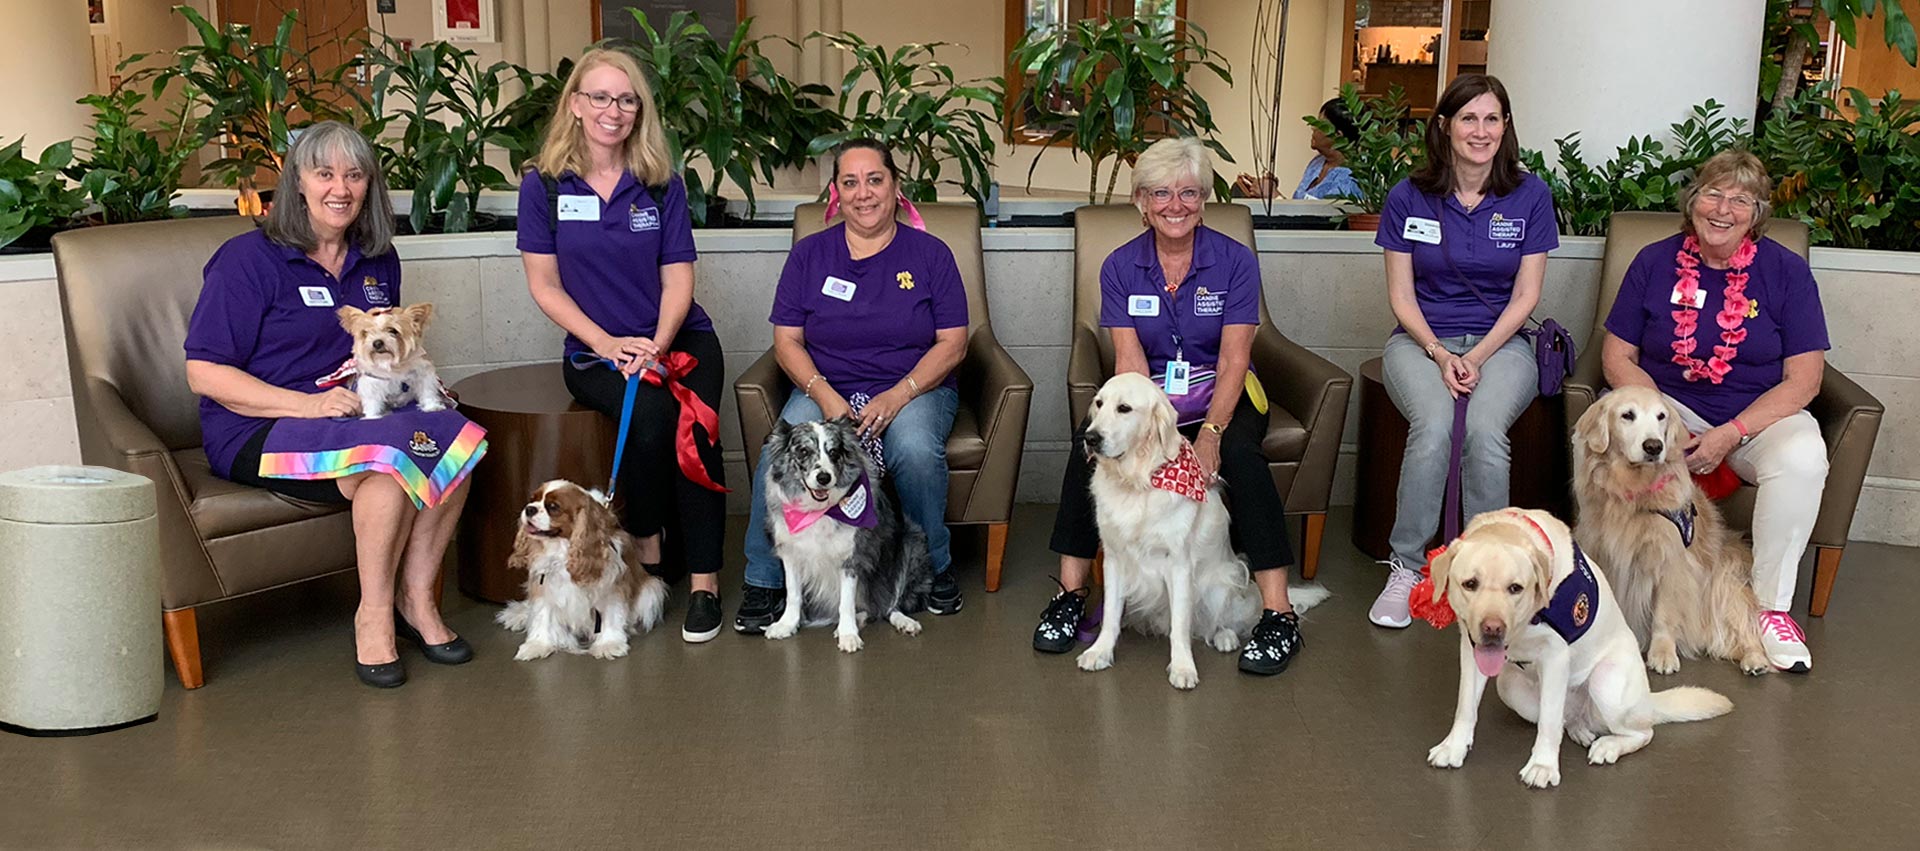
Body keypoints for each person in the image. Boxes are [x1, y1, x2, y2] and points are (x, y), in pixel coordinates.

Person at [184, 121, 478, 689]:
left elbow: (383, 351)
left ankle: (416, 599)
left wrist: (420, 392)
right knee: (388, 473)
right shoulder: (246, 261)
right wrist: (305, 406)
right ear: (297, 183)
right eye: (324, 174)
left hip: (353, 416)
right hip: (260, 427)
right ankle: (373, 615)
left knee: (454, 446)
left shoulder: (377, 258)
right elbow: (203, 372)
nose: (339, 188)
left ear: (370, 186)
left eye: (354, 174)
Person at [1032, 136, 1306, 676]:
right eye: (1161, 193)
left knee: (1245, 461)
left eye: (1187, 192)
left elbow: (1233, 361)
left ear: (1203, 200)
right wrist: (1153, 431)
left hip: (1225, 396)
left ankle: (1278, 613)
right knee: (1082, 453)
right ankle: (1069, 596)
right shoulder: (1119, 267)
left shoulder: (1234, 262)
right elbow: (1130, 366)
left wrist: (1209, 436)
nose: (1175, 205)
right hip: (1150, 402)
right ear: (1141, 202)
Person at [517, 48, 730, 643]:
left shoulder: (661, 183)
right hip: (594, 350)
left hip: (677, 337)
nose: (614, 110)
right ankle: (651, 548)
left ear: (641, 109)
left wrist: (655, 346)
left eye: (627, 99)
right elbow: (545, 285)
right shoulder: (544, 184)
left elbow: (679, 276)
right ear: (577, 105)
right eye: (601, 97)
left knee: (699, 430)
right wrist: (611, 345)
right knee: (652, 420)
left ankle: (705, 586)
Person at [1599, 148, 1828, 672]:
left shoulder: (1786, 272)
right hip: (1669, 407)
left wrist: (1732, 432)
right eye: (1713, 193)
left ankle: (1771, 610)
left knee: (1803, 457)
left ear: (1758, 213)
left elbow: (1805, 378)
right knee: (1621, 432)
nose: (1723, 209)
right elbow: (1617, 356)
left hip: (1755, 417)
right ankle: (1617, 597)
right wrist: (1664, 423)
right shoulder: (1654, 261)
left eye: (1741, 200)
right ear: (1693, 201)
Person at [732, 138, 969, 633]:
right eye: (850, 182)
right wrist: (824, 396)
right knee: (777, 454)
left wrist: (899, 394)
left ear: (896, 186)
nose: (864, 193)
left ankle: (935, 566)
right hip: (827, 388)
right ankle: (764, 578)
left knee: (915, 450)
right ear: (836, 194)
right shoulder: (809, 254)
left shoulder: (931, 254)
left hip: (914, 388)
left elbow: (952, 344)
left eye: (875, 179)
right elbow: (787, 340)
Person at [1368, 73, 1559, 629]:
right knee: (1433, 428)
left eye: (1492, 118)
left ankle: (1490, 571)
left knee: (1483, 432)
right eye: (1468, 118)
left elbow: (1527, 296)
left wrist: (1476, 358)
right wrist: (1437, 351)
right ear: (1445, 126)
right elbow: (1401, 297)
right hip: (1420, 341)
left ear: (1506, 127)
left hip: (1503, 345)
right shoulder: (1409, 196)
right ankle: (1407, 567)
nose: (1481, 130)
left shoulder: (1531, 195)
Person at [1295, 97, 1362, 201]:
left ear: (1338, 135)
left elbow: (1325, 215)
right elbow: (1297, 205)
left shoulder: (1351, 177)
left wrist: (1276, 196)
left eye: (1320, 125)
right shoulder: (1317, 162)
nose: (1313, 128)